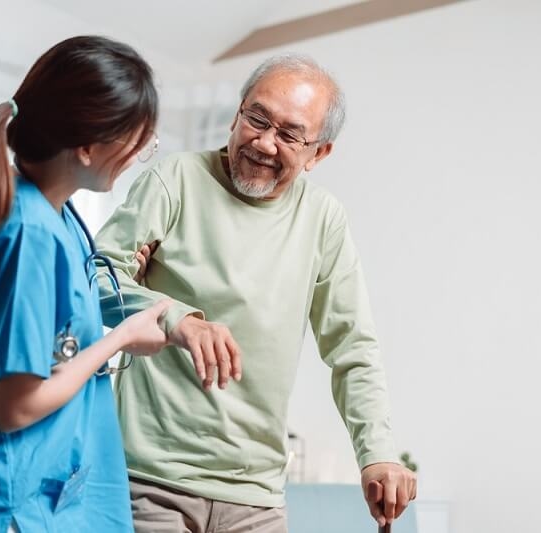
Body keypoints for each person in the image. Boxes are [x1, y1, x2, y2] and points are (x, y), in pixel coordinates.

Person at [95, 54, 417, 532]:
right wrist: (175, 320)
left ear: (319, 153)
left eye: (289, 135)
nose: (264, 143)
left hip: (256, 497)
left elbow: (353, 348)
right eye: (257, 119)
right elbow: (93, 277)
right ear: (237, 114)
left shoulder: (323, 219)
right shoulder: (175, 180)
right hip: (149, 480)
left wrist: (378, 455)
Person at [0, 35, 171, 532]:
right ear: (89, 146)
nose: (139, 155)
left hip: (30, 494)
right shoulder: (27, 230)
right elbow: (15, 405)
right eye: (137, 141)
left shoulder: (57, 219)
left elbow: (58, 333)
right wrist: (121, 338)